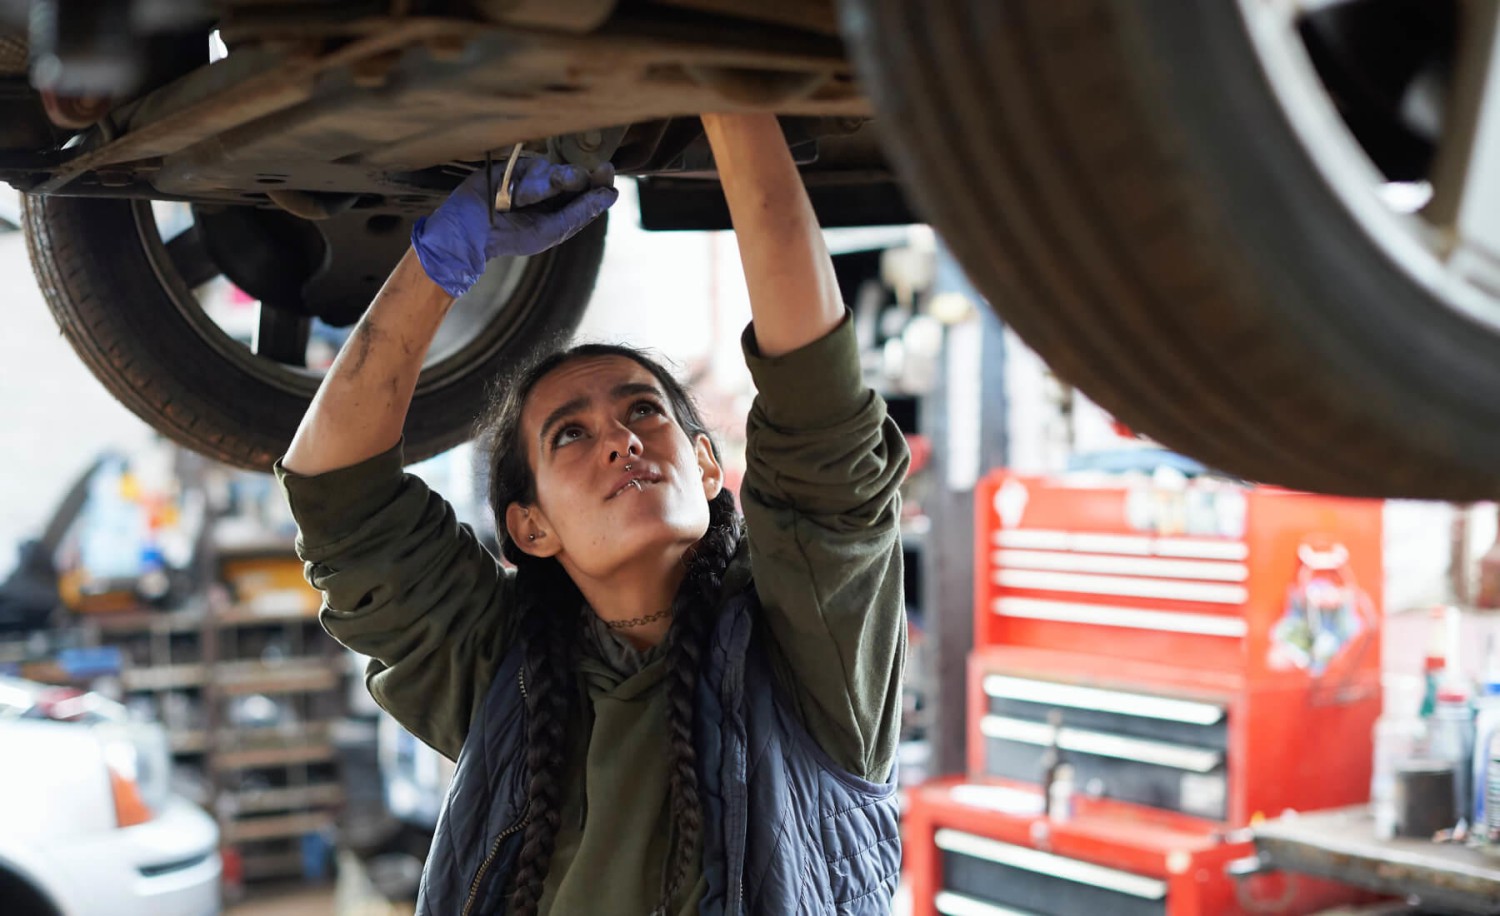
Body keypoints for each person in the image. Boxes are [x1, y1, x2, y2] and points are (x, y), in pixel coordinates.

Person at [276, 113, 909, 915]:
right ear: (530, 528)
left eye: (644, 411)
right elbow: (338, 496)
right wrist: (437, 264)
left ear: (706, 466)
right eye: (570, 434)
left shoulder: (807, 653)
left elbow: (821, 412)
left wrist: (729, 101)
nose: (620, 440)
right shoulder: (508, 674)